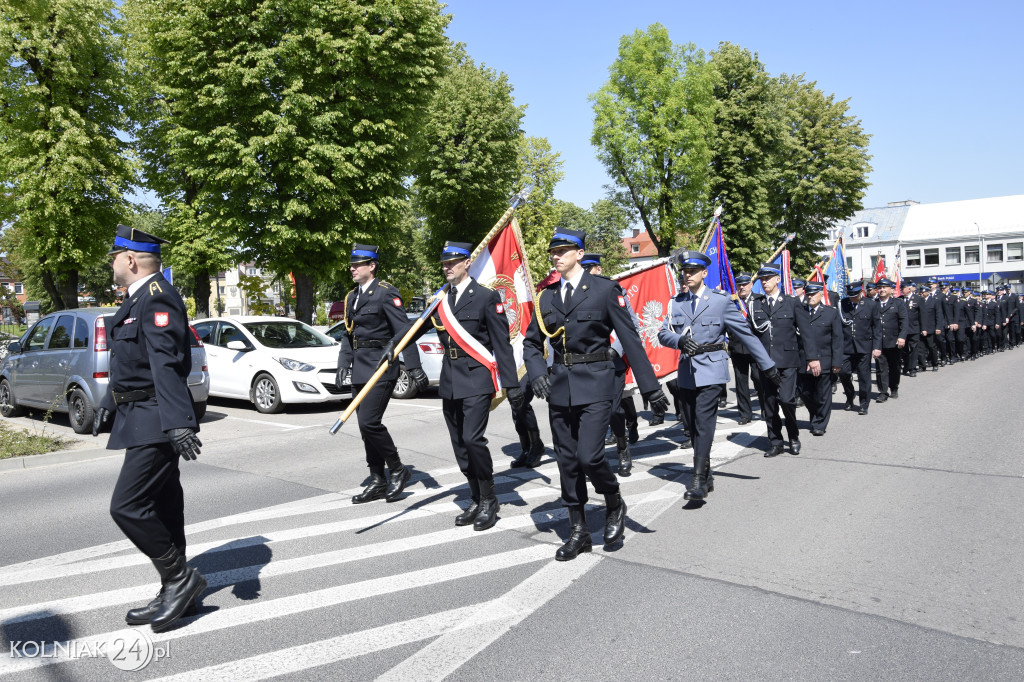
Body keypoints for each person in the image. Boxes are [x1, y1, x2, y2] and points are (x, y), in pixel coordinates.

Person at [524, 228, 669, 561]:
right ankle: (579, 531)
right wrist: (536, 375)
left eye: (562, 250)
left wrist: (650, 386)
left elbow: (630, 339)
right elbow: (533, 343)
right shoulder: (546, 297)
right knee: (567, 462)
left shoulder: (604, 291)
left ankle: (614, 500)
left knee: (589, 457)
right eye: (553, 252)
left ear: (578, 253)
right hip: (560, 386)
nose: (556, 256)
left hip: (597, 383)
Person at [92, 224, 206, 633]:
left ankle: (180, 578)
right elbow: (132, 366)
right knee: (162, 505)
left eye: (114, 257)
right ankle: (174, 591)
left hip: (156, 420)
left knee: (127, 506)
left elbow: (166, 364)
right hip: (139, 416)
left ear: (130, 259)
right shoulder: (137, 300)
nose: (112, 264)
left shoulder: (158, 299)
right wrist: (109, 406)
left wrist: (177, 423)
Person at [399, 242, 523, 530]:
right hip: (450, 378)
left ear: (467, 263)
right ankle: (476, 496)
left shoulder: (485, 297)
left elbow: (502, 344)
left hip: (477, 376)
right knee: (459, 444)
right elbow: (414, 329)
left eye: (453, 262)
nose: (447, 267)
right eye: (444, 263)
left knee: (472, 439)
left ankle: (490, 499)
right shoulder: (440, 299)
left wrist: (511, 384)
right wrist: (393, 346)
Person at [658, 253, 779, 500]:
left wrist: (768, 365)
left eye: (693, 271)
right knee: (691, 426)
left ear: (704, 273)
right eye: (685, 271)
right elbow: (662, 333)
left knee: (704, 423)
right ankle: (707, 473)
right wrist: (679, 340)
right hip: (687, 372)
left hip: (712, 370)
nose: (687, 275)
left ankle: (698, 479)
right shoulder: (676, 302)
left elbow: (746, 335)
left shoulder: (720, 301)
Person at [336, 244, 428, 504]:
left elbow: (405, 330)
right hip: (360, 369)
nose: (352, 269)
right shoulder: (352, 297)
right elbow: (348, 333)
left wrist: (414, 366)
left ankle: (398, 469)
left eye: (358, 264)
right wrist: (344, 361)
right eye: (351, 265)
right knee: (365, 429)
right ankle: (377, 479)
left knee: (369, 422)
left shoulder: (385, 293)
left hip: (381, 367)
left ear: (372, 266)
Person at [748, 265, 819, 456]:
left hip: (788, 361)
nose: (765, 282)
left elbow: (806, 332)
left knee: (787, 400)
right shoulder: (756, 304)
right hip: (765, 362)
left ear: (778, 279)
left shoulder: (792, 302)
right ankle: (776, 442)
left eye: (768, 278)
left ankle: (793, 436)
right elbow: (751, 334)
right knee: (769, 404)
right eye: (762, 279)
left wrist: (812, 358)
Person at [583, 253, 639, 475]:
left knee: (614, 410)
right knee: (589, 413)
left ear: (598, 269)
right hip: (586, 364)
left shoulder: (612, 290)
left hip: (612, 361)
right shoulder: (573, 294)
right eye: (584, 268)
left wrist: (615, 350)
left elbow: (630, 324)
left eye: (591, 268)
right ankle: (594, 460)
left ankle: (622, 446)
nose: (587, 273)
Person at [799, 281, 843, 436]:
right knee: (805, 393)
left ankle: (820, 423)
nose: (810, 297)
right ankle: (816, 415)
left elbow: (837, 339)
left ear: (821, 295)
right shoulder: (800, 311)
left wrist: (837, 362)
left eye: (813, 294)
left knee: (823, 394)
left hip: (825, 360)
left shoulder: (831, 312)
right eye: (808, 294)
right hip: (804, 361)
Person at [840, 281, 881, 415]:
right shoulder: (843, 304)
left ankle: (864, 403)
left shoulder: (871, 304)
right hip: (846, 347)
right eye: (850, 295)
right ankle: (850, 395)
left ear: (861, 292)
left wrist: (876, 347)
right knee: (844, 373)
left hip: (864, 347)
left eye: (855, 295)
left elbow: (877, 327)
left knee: (864, 376)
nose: (852, 298)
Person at [730, 272, 763, 425]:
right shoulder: (731, 302)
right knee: (740, 382)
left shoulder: (759, 300)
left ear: (751, 285)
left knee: (759, 378)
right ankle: (745, 414)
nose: (742, 287)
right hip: (737, 346)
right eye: (739, 284)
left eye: (745, 284)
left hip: (755, 347)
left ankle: (765, 408)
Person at [874, 278, 907, 401]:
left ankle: (894, 387)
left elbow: (904, 321)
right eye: (880, 287)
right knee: (881, 367)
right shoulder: (874, 303)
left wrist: (902, 337)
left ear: (890, 289)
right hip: (878, 341)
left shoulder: (898, 303)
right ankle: (883, 391)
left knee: (895, 366)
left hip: (894, 341)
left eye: (884, 287)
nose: (882, 290)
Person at [918, 282, 945, 370]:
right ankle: (922, 365)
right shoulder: (919, 301)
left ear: (928, 292)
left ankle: (935, 364)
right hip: (920, 328)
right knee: (921, 348)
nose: (921, 294)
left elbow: (939, 315)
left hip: (931, 328)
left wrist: (938, 327)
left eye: (923, 292)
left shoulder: (934, 301)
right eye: (920, 292)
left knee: (932, 347)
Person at [901, 282, 922, 376]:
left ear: (909, 289)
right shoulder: (899, 299)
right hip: (903, 330)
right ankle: (906, 366)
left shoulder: (918, 299)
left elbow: (923, 315)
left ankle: (913, 368)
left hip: (914, 328)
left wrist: (923, 328)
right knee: (904, 350)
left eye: (903, 288)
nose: (901, 290)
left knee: (914, 348)